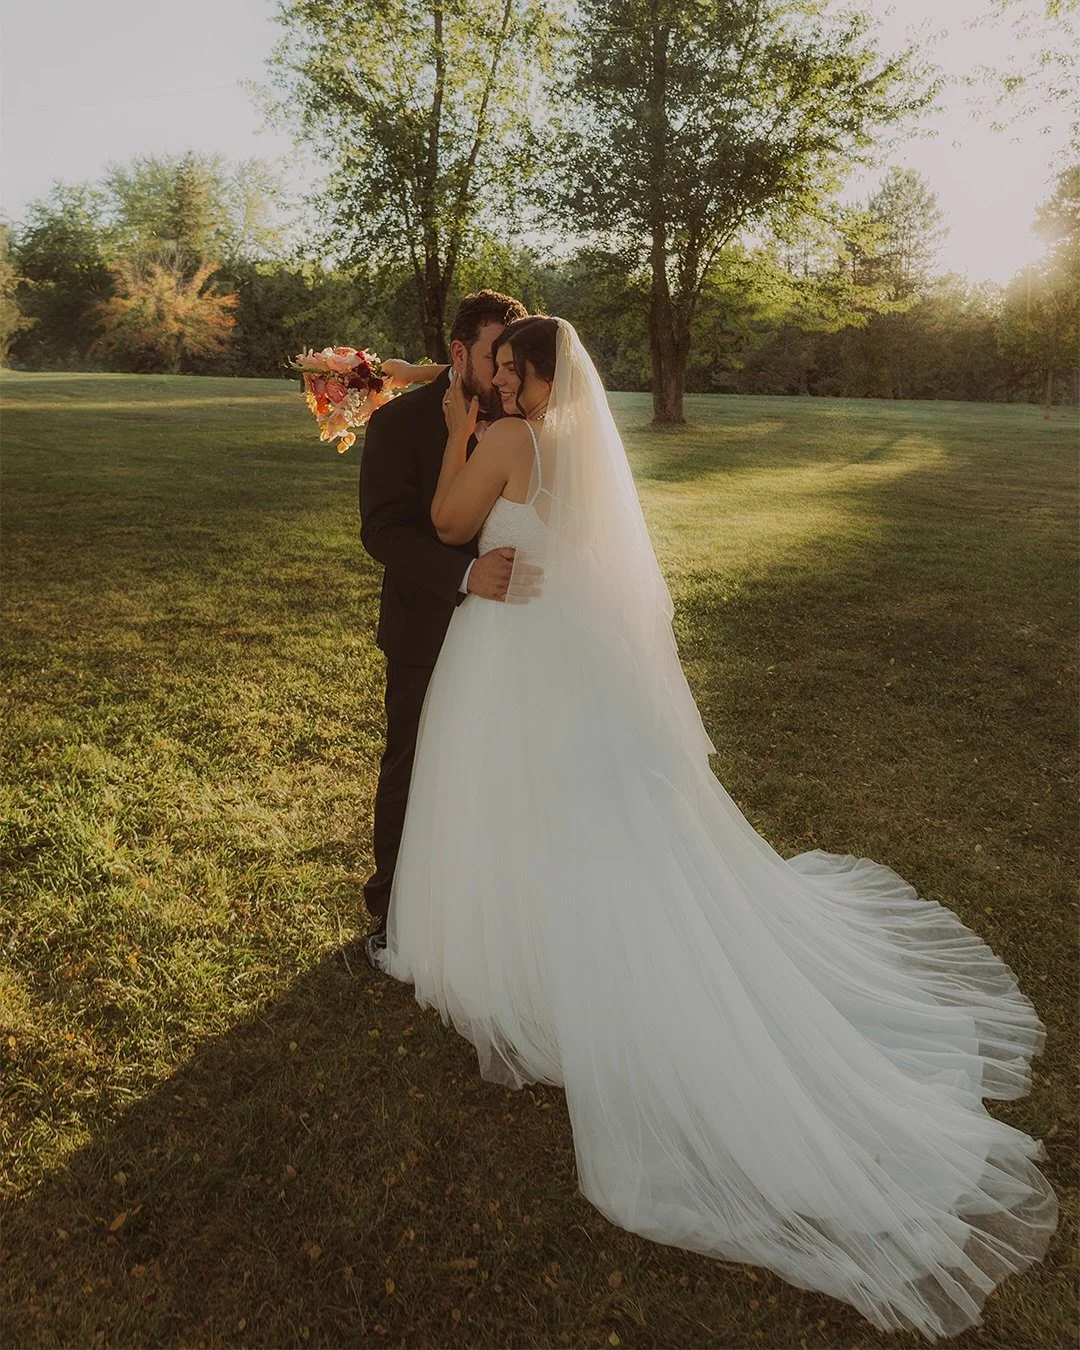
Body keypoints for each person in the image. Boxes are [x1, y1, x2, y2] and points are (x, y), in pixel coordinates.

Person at [371, 316, 1057, 1339]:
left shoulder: (506, 442)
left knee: (505, 805)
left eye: (510, 374)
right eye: (495, 373)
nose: (499, 385)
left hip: (509, 661)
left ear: (537, 381)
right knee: (579, 820)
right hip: (571, 666)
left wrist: (463, 432)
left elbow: (446, 520)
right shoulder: (580, 458)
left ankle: (514, 960)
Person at [357, 289, 530, 967]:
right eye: (496, 357)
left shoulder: (528, 422)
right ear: (460, 354)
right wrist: (463, 576)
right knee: (412, 763)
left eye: (515, 359)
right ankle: (393, 909)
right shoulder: (399, 424)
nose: (506, 374)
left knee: (493, 769)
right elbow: (383, 531)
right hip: (429, 625)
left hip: (513, 638)